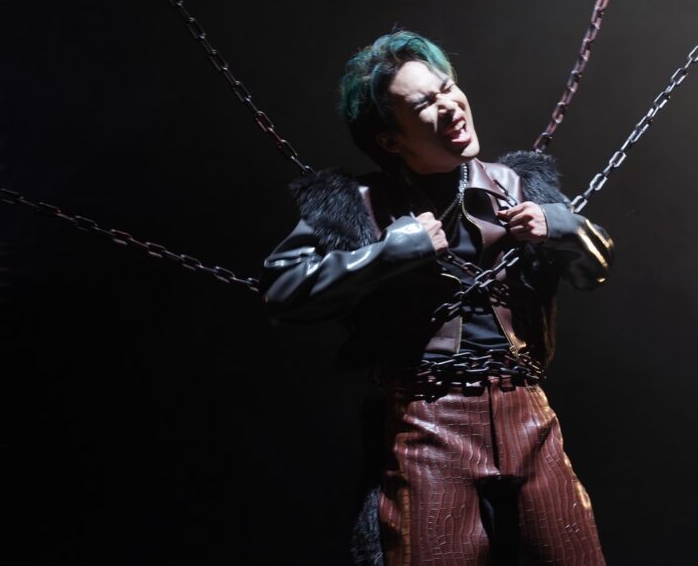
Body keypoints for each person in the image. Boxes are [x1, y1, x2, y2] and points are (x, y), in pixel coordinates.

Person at [260, 29, 614, 564]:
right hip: (429, 422)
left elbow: (596, 268)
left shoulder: (516, 185)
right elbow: (282, 291)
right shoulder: (361, 203)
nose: (449, 106)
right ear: (390, 139)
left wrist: (558, 227)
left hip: (526, 413)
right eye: (425, 103)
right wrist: (388, 253)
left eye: (447, 88)